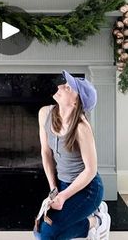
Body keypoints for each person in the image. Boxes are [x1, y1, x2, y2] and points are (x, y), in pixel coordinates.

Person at [34, 70, 111, 240]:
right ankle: (93, 222)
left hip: (88, 189)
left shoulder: (81, 128)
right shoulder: (45, 114)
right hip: (62, 184)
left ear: (76, 102)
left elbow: (90, 170)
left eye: (68, 88)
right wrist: (54, 189)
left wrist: (63, 196)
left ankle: (98, 221)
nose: (60, 86)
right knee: (39, 230)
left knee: (47, 235)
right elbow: (46, 152)